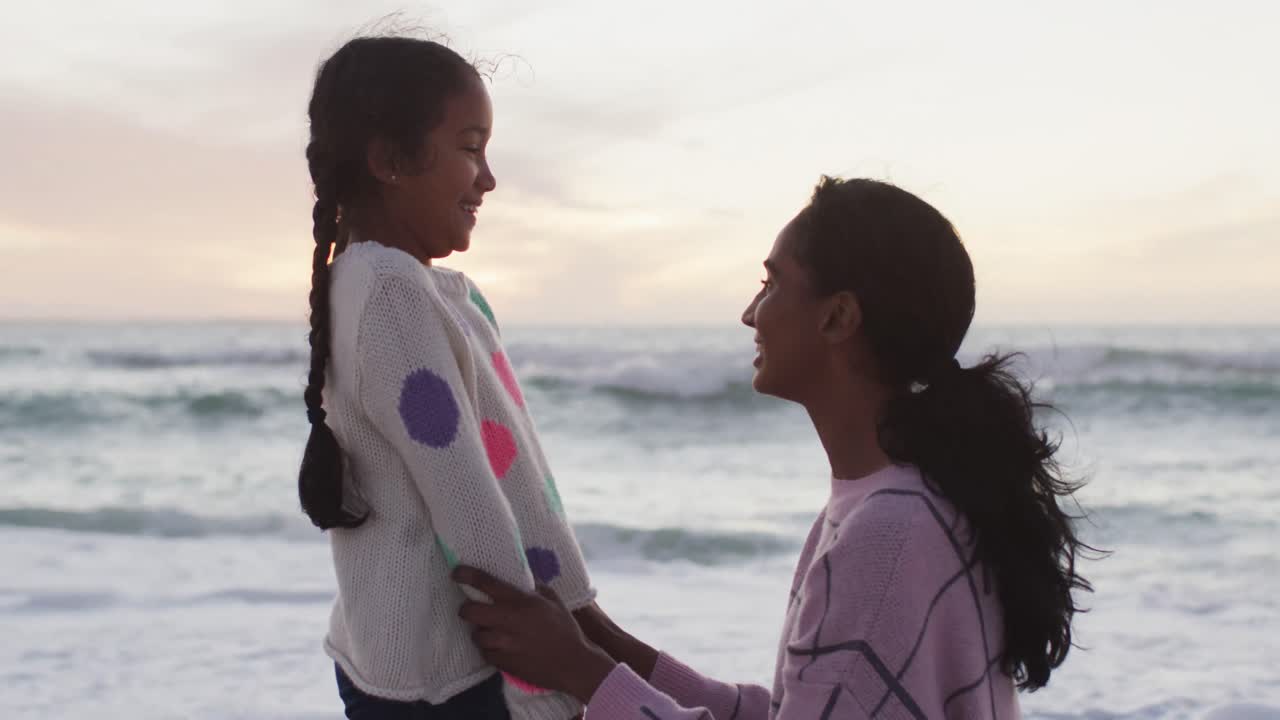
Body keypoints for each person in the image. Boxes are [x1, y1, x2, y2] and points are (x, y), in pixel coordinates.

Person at [452, 177, 1093, 718]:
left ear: (838, 317)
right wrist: (606, 644)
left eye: (772, 283)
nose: (751, 313)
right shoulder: (894, 499)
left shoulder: (890, 531)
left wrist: (583, 675)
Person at [297, 34, 594, 720]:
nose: (487, 178)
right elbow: (471, 505)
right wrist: (552, 692)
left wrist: (585, 623)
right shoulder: (394, 295)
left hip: (396, 661)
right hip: (452, 679)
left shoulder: (386, 285)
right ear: (390, 160)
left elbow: (513, 480)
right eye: (469, 147)